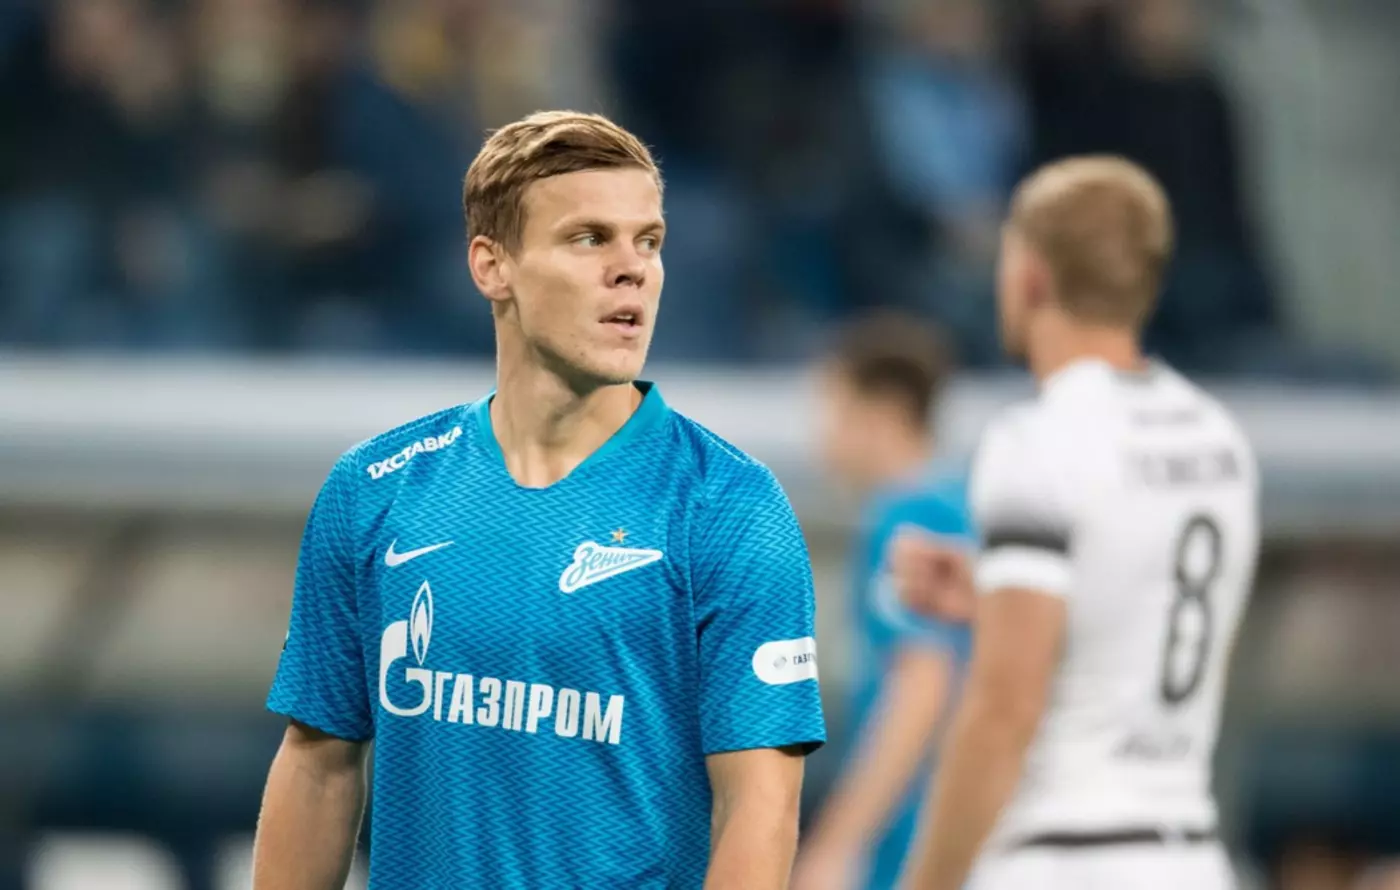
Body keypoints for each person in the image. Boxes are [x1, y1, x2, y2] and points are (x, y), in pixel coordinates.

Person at [251, 110, 826, 890]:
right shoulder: (377, 489)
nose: (631, 269)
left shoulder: (727, 508)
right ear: (492, 267)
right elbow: (318, 764)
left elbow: (760, 809)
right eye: (589, 239)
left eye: (649, 241)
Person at [896, 156, 1260, 890]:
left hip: (1063, 852)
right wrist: (990, 593)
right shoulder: (1219, 438)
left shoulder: (1038, 441)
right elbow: (1147, 607)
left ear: (1031, 275)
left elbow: (1004, 710)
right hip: (1188, 855)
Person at [791, 312, 973, 890]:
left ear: (881, 412)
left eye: (832, 409)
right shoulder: (961, 505)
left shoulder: (907, 519)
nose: (821, 435)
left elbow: (920, 687)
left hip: (910, 841)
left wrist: (837, 845)